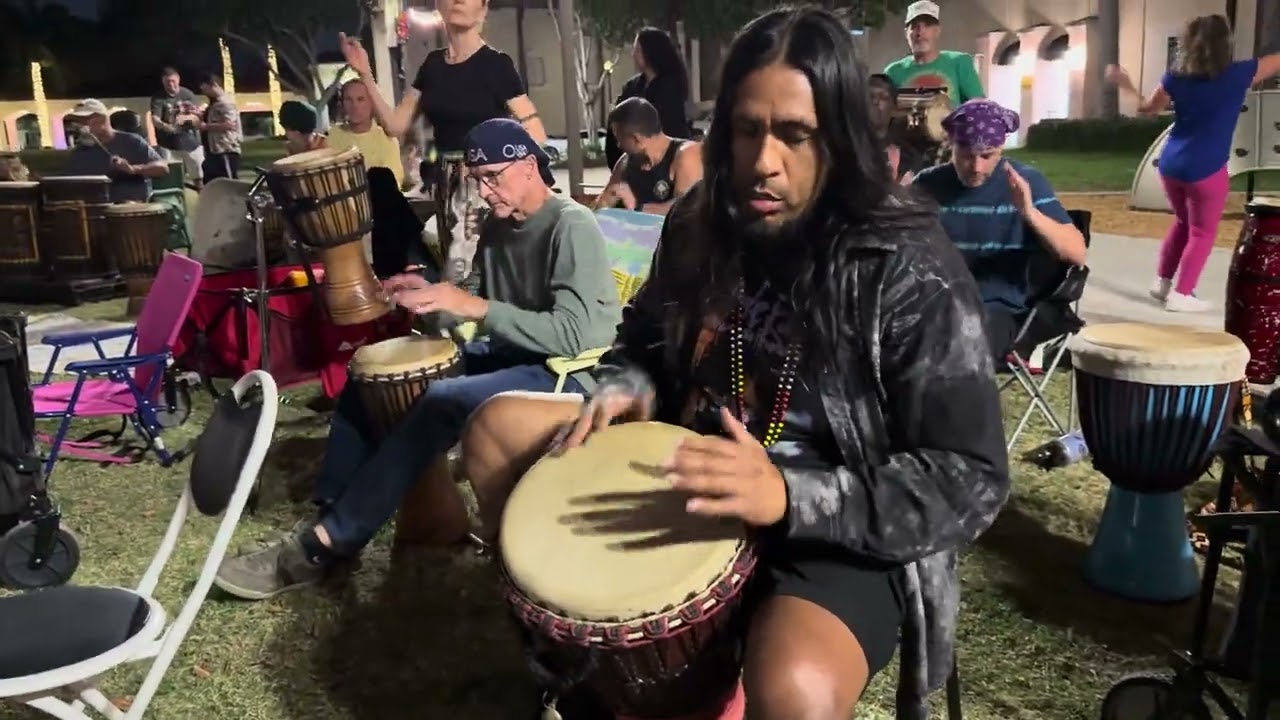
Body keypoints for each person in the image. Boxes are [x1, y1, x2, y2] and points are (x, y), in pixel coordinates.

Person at [460, 9, 1009, 719]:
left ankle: (715, 674)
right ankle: (583, 670)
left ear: (838, 138)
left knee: (797, 691)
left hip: (829, 516)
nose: (764, 160)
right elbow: (644, 337)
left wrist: (789, 495)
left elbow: (972, 478)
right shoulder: (699, 222)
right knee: (494, 431)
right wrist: (631, 382)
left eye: (794, 134)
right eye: (747, 130)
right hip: (687, 459)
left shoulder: (905, 267)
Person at [213, 119, 621, 600]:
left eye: (493, 176)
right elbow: (483, 302)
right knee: (364, 376)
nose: (485, 191)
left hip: (572, 373)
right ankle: (331, 515)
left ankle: (321, 548)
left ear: (529, 166)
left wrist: (473, 307)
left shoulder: (571, 224)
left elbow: (577, 335)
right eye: (478, 180)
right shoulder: (498, 226)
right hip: (514, 356)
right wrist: (432, 297)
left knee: (443, 398)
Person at [338, 0, 549, 288]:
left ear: (483, 9)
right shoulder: (432, 65)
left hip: (483, 184)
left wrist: (505, 175)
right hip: (445, 184)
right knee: (458, 266)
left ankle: (466, 324)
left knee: (464, 271)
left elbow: (535, 132)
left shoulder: (496, 64)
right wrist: (365, 73)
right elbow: (395, 125)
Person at [1106, 15, 1280, 313]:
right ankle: (1182, 294)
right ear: (1227, 44)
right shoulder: (1240, 73)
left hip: (1171, 164)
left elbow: (1146, 108)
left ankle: (1162, 283)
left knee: (1183, 222)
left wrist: (1126, 84)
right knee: (1202, 232)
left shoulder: (1174, 78)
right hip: (1208, 168)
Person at [913, 100, 1087, 362]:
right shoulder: (927, 184)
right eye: (967, 154)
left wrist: (1030, 213)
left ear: (1002, 147)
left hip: (996, 310)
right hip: (932, 302)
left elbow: (1077, 253)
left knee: (957, 351)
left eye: (987, 155)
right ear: (951, 144)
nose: (976, 167)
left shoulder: (1026, 181)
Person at [605, 27, 693, 169]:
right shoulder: (631, 86)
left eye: (638, 50)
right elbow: (616, 120)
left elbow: (672, 127)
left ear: (651, 52)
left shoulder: (671, 87)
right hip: (631, 163)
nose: (633, 54)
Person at [595, 97, 701, 215]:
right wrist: (604, 204)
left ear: (636, 138)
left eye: (620, 139)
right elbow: (601, 207)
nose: (619, 145)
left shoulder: (687, 154)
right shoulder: (625, 162)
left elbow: (687, 210)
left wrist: (636, 208)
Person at [62, 99, 168, 203]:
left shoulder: (130, 141)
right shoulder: (81, 151)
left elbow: (162, 168)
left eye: (84, 121)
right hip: (94, 207)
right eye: (78, 122)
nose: (80, 126)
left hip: (130, 207)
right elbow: (70, 182)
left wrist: (133, 169)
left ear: (102, 120)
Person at [884, 1, 984, 107]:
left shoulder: (959, 63)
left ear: (937, 31)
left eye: (927, 25)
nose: (920, 31)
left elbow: (979, 110)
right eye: (914, 26)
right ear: (906, 34)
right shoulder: (893, 72)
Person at [328, 79, 404, 187]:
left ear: (372, 103)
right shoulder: (333, 136)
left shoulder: (387, 139)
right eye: (348, 100)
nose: (354, 106)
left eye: (360, 99)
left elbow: (393, 184)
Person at [149, 67, 205, 189]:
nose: (171, 84)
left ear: (178, 79)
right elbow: (155, 119)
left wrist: (188, 118)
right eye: (167, 82)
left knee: (199, 178)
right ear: (163, 82)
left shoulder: (187, 94)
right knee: (170, 178)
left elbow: (198, 116)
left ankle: (202, 199)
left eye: (173, 81)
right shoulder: (158, 98)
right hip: (168, 144)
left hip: (191, 142)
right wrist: (166, 126)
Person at [869, 73, 921, 183]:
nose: (875, 101)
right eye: (869, 96)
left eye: (883, 97)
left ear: (894, 107)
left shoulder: (907, 155)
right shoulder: (847, 148)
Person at [194, 72, 242, 183]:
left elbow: (230, 124)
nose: (205, 93)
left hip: (225, 150)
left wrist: (206, 127)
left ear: (214, 85)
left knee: (228, 184)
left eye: (206, 90)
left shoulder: (225, 103)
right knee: (211, 183)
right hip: (213, 151)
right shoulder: (214, 103)